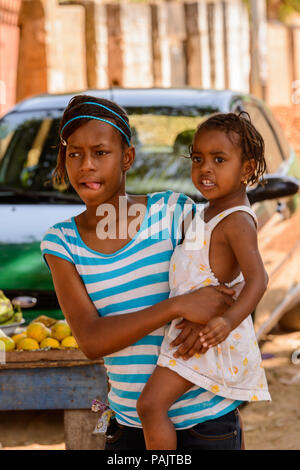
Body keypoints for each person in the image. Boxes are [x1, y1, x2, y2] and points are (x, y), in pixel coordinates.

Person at [41, 95, 245, 450]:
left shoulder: (173, 212)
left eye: (101, 152)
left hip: (207, 423)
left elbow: (227, 287)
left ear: (127, 158)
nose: (86, 165)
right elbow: (91, 340)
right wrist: (176, 307)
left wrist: (211, 307)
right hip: (129, 432)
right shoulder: (62, 244)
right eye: (74, 153)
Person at [136, 112, 271, 450]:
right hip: (197, 329)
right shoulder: (208, 211)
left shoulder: (237, 219)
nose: (205, 168)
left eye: (219, 159)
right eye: (198, 158)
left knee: (151, 406)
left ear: (246, 168)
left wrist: (224, 321)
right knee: (153, 407)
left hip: (209, 339)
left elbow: (258, 279)